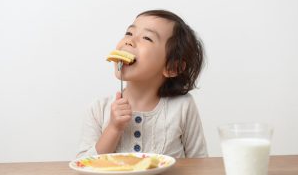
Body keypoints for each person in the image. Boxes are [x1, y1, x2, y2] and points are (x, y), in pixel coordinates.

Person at [77, 10, 208, 158]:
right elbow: (83, 165)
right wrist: (113, 128)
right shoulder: (99, 110)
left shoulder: (182, 107)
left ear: (172, 67)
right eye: (129, 33)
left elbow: (200, 163)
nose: (129, 41)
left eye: (146, 38)